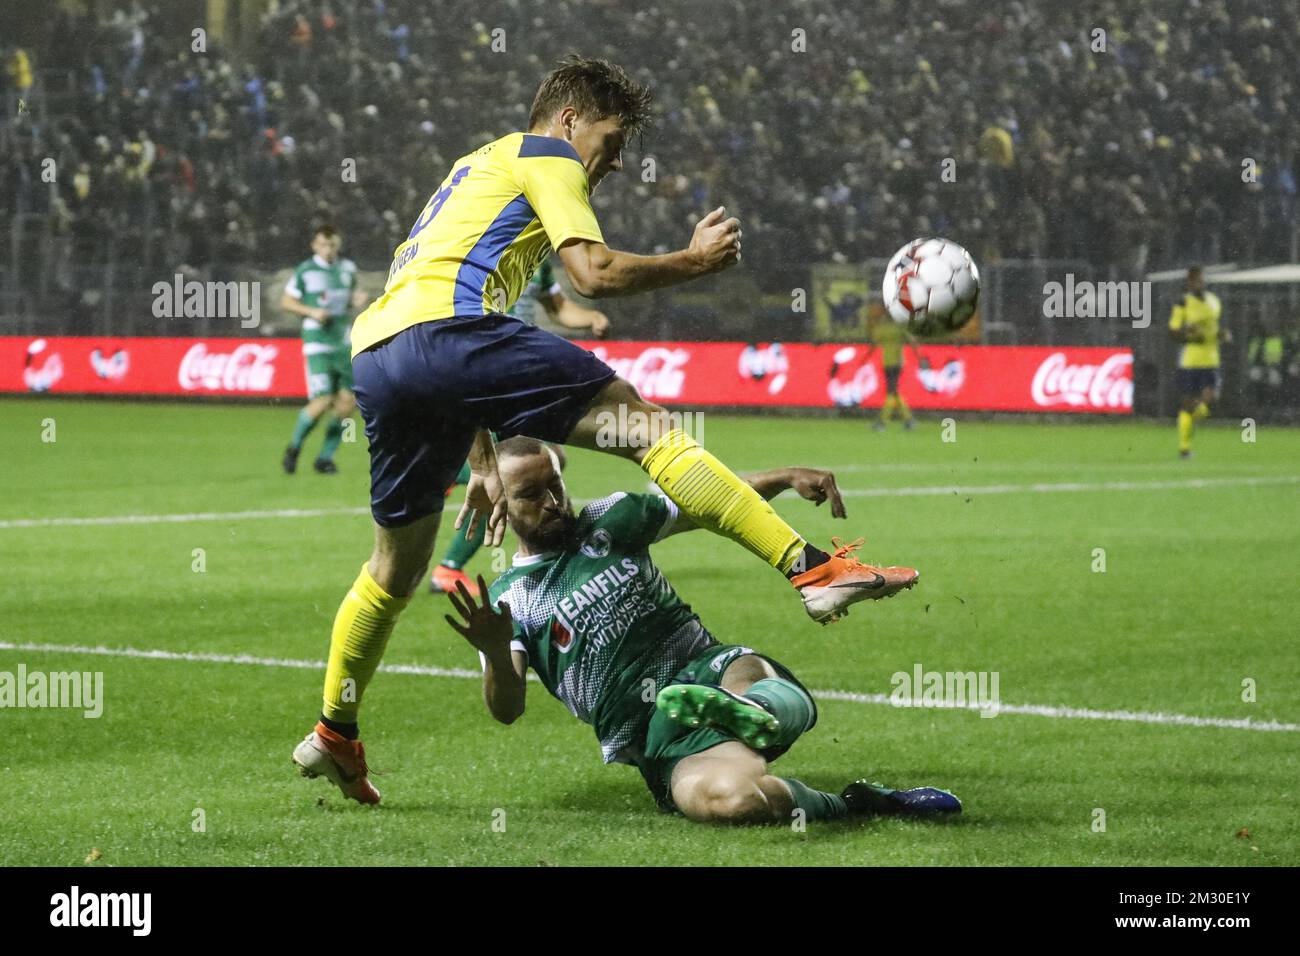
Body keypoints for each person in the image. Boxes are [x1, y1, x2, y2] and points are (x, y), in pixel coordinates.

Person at [293, 55, 916, 805]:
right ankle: (809, 569)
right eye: (612, 140)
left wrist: (483, 455)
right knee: (650, 430)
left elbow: (433, 335)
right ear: (568, 119)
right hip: (452, 335)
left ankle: (335, 731)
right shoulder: (545, 153)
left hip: (381, 356)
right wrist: (694, 261)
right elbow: (590, 272)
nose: (614, 163)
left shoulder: (474, 169)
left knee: (392, 572)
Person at [444, 437, 961, 824]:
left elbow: (709, 501)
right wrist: (493, 649)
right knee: (731, 801)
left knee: (748, 680)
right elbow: (506, 709)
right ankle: (857, 804)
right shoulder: (512, 600)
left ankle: (752, 710)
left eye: (554, 484)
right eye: (531, 494)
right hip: (656, 738)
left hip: (708, 667)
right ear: (499, 504)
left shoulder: (612, 519)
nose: (552, 502)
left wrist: (782, 478)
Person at [430, 259, 605, 598]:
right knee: (514, 474)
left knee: (546, 462)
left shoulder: (537, 264)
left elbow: (559, 307)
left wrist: (590, 317)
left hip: (518, 378)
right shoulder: (481, 256)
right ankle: (449, 566)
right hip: (488, 375)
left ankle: (451, 475)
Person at [280, 225, 367, 475]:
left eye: (332, 245)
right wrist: (311, 312)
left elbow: (348, 298)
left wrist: (355, 301)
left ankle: (325, 458)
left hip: (344, 341)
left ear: (338, 245)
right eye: (323, 245)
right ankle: (294, 447)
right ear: (314, 246)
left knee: (347, 402)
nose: (328, 249)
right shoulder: (306, 271)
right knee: (322, 400)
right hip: (318, 343)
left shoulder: (347, 269)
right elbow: (286, 302)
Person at [1168, 266, 1228, 459]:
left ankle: (1188, 423)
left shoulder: (1214, 301)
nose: (1200, 283)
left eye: (1202, 280)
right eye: (1196, 280)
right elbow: (1173, 332)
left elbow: (1217, 328)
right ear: (1190, 282)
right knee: (1187, 403)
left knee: (1210, 400)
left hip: (1211, 358)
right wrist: (1188, 334)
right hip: (1190, 360)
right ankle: (1184, 447)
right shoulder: (1183, 302)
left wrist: (1223, 334)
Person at [863, 310, 925, 431]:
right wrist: (919, 356)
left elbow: (873, 344)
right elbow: (912, 340)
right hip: (898, 363)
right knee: (894, 392)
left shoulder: (881, 329)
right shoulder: (900, 327)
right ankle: (909, 420)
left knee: (891, 392)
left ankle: (882, 422)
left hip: (888, 363)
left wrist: (865, 358)